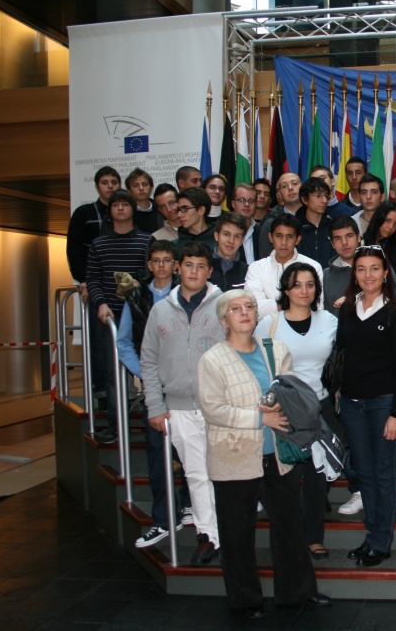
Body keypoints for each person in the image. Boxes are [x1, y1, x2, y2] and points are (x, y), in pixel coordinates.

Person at [197, 289, 331, 617]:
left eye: (250, 307)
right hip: (233, 458)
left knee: (290, 527)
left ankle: (296, 594)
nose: (244, 312)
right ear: (223, 319)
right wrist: (261, 418)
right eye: (235, 308)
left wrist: (284, 409)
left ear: (257, 315)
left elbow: (291, 392)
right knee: (237, 533)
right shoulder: (211, 360)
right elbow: (213, 409)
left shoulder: (276, 350)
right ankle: (245, 601)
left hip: (278, 457)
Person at [141, 241, 225, 566]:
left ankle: (229, 531)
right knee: (196, 475)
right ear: (178, 268)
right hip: (177, 407)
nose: (194, 271)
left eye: (201, 266)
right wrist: (155, 405)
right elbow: (149, 360)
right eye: (188, 264)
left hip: (217, 406)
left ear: (209, 271)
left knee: (224, 473)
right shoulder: (160, 310)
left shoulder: (224, 306)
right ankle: (208, 536)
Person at [338, 246, 396, 567]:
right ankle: (371, 536)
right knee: (364, 473)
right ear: (354, 274)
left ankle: (382, 541)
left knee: (383, 474)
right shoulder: (347, 309)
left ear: (385, 274)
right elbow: (342, 353)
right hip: (352, 405)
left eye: (374, 269)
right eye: (361, 269)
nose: (368, 275)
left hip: (383, 405)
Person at [116, 240, 193, 547]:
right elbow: (124, 342)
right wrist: (145, 373)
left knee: (190, 449)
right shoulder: (135, 297)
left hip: (184, 384)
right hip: (152, 386)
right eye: (156, 261)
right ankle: (163, 518)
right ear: (149, 265)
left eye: (167, 260)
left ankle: (189, 504)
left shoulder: (186, 294)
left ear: (176, 265)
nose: (161, 266)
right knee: (157, 454)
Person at [260, 264, 338, 563]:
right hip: (284, 408)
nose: (304, 291)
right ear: (286, 289)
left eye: (309, 284)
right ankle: (290, 539)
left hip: (320, 406)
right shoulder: (268, 324)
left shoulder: (329, 321)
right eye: (296, 285)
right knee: (287, 477)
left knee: (317, 476)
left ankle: (313, 538)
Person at [86, 189, 152, 443]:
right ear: (110, 210)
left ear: (133, 209)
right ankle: (116, 426)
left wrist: (138, 285)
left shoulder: (146, 241)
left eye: (126, 204)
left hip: (141, 318)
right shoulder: (99, 244)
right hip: (111, 317)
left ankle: (151, 424)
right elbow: (92, 279)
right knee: (114, 375)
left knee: (149, 371)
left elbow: (151, 276)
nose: (121, 208)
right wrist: (100, 303)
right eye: (116, 205)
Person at [66, 165, 120, 410]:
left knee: (123, 341)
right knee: (98, 342)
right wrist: (83, 279)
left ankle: (125, 393)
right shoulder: (84, 213)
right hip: (94, 286)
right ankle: (101, 394)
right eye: (105, 182)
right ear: (97, 186)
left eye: (114, 182)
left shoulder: (124, 212)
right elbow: (74, 250)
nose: (110, 186)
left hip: (121, 288)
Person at [245, 213, 324, 320]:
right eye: (279, 236)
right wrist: (296, 302)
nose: (283, 242)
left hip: (305, 327)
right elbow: (252, 308)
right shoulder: (256, 268)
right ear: (270, 237)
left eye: (289, 237)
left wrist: (270, 303)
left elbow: (317, 307)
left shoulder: (313, 266)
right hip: (267, 329)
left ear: (298, 239)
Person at [364, 201, 396, 289]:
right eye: (387, 220)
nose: (390, 227)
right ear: (379, 218)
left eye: (395, 224)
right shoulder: (362, 241)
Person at [295, 177, 335, 268]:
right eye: (318, 196)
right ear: (304, 199)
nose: (324, 200)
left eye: (326, 196)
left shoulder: (333, 226)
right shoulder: (295, 227)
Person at [208, 211, 250, 292]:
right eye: (226, 234)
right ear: (216, 236)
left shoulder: (248, 272)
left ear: (242, 240)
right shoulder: (203, 267)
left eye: (237, 236)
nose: (231, 241)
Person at [174, 187, 216, 253]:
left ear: (201, 210)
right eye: (178, 210)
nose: (179, 215)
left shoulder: (219, 243)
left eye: (185, 208)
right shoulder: (174, 246)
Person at [229, 183, 261, 264]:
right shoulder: (225, 231)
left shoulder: (261, 232)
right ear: (233, 204)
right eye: (242, 200)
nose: (247, 204)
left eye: (251, 201)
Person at [126, 168, 159, 234]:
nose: (141, 188)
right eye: (136, 185)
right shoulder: (126, 211)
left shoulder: (160, 208)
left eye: (144, 184)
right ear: (129, 190)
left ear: (151, 187)